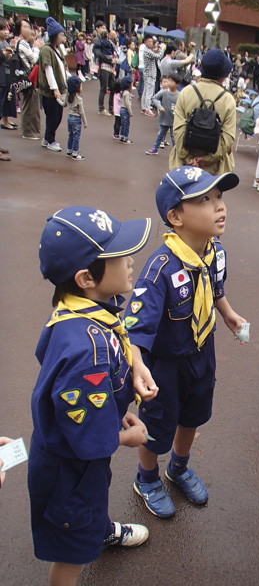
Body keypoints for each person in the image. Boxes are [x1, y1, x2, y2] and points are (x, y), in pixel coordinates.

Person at [28, 206, 154, 586]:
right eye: (118, 256)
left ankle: (97, 528)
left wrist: (131, 366)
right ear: (86, 277)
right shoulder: (86, 351)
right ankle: (86, 537)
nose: (131, 261)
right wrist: (125, 436)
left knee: (90, 506)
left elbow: (89, 381)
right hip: (71, 468)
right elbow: (84, 436)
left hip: (82, 457)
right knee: (70, 548)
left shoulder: (81, 312)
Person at [125, 167, 246, 518]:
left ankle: (177, 468)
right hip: (166, 364)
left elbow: (214, 289)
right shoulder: (160, 268)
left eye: (220, 197)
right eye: (205, 200)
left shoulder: (215, 252)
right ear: (175, 217)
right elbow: (135, 325)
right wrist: (138, 365)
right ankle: (146, 477)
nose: (219, 206)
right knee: (157, 424)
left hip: (201, 352)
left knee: (193, 414)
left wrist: (228, 313)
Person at [170, 48, 236, 175]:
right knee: (210, 195)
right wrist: (206, 160)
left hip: (183, 166)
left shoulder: (186, 92)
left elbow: (178, 131)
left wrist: (188, 158)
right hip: (214, 170)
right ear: (223, 75)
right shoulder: (228, 100)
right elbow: (227, 138)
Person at [38, 17, 68, 152]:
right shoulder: (46, 50)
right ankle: (50, 140)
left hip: (58, 89)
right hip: (50, 91)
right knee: (53, 116)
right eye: (61, 34)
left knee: (57, 115)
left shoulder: (57, 49)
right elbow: (48, 70)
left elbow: (62, 68)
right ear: (55, 35)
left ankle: (47, 138)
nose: (63, 37)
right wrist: (55, 88)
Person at [146, 72, 180, 155]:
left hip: (173, 119)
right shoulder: (164, 92)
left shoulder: (179, 95)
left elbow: (183, 105)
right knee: (160, 134)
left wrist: (177, 110)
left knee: (174, 137)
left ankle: (176, 152)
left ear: (177, 84)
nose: (169, 83)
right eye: (168, 81)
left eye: (172, 81)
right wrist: (159, 106)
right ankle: (155, 148)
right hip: (164, 118)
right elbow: (154, 98)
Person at [64, 76, 87, 161]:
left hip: (69, 117)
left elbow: (64, 104)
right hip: (76, 119)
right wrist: (85, 122)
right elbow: (81, 112)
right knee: (76, 136)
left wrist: (58, 99)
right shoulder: (79, 99)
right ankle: (75, 153)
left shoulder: (68, 95)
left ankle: (69, 151)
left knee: (70, 135)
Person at [94, 29, 116, 116]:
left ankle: (110, 108)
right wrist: (110, 60)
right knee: (103, 88)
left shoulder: (102, 43)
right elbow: (99, 55)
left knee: (112, 88)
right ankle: (101, 108)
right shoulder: (100, 43)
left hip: (108, 67)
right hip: (104, 67)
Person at [119, 76, 133, 144]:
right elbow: (127, 103)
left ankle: (121, 136)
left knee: (122, 124)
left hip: (121, 109)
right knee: (126, 124)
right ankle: (126, 138)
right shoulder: (127, 93)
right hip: (125, 109)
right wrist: (130, 112)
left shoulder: (122, 92)